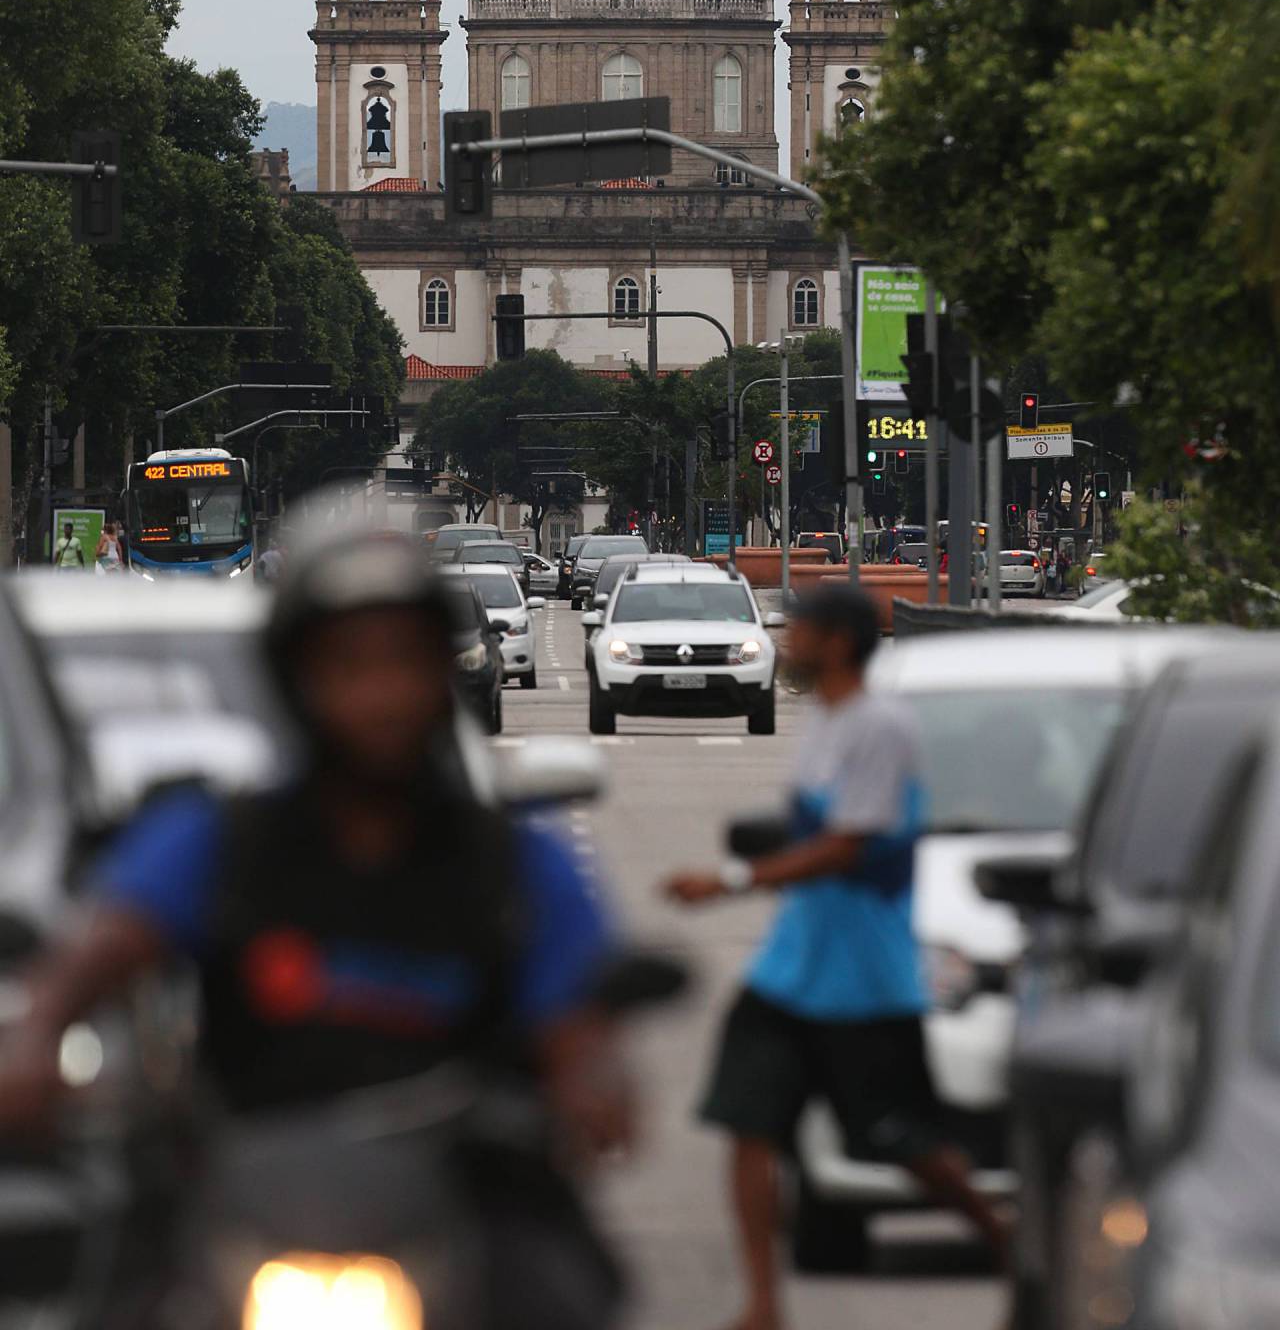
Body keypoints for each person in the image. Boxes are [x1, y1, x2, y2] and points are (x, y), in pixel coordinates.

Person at [0, 531, 631, 1290]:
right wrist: (33, 1040)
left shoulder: (520, 862)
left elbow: (579, 1030)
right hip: (244, 1190)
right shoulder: (216, 838)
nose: (381, 695)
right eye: (348, 666)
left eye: (404, 662)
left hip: (463, 1203)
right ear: (297, 682)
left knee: (568, 1289)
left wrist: (592, 1085)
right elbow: (96, 949)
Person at [662, 585, 1008, 1330]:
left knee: (905, 1147)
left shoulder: (879, 726)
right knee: (746, 1122)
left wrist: (729, 881)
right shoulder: (825, 719)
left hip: (863, 982)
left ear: (842, 642)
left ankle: (1012, 1250)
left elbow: (848, 845)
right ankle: (763, 1304)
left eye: (802, 631)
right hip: (792, 971)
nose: (789, 642)